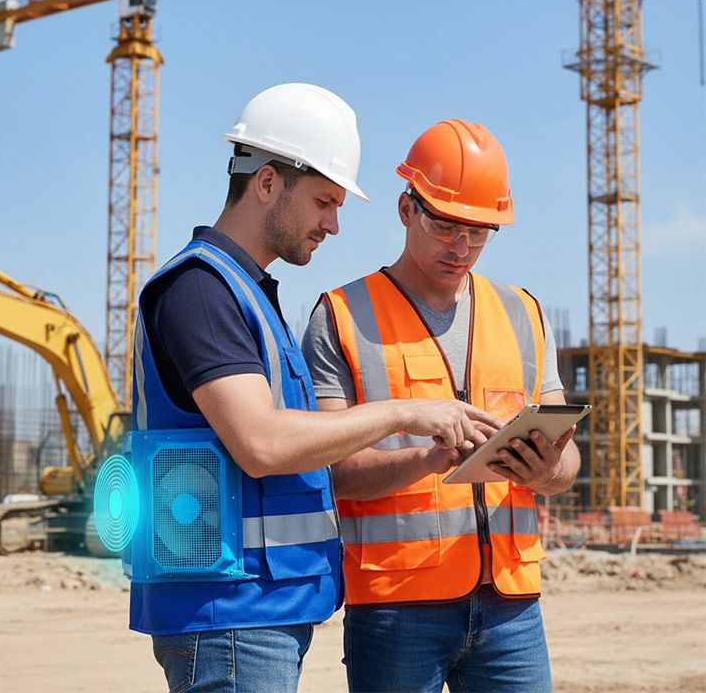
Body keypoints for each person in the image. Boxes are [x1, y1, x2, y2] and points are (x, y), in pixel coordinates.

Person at [129, 86, 502, 693]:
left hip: (261, 611)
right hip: (228, 617)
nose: (333, 223)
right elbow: (263, 444)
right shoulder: (200, 289)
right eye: (326, 201)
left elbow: (304, 459)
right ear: (268, 182)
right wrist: (408, 410)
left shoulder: (248, 294)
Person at [302, 117, 581, 693]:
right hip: (396, 609)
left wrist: (548, 469)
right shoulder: (342, 317)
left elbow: (567, 464)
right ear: (407, 209)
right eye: (446, 225)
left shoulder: (524, 314)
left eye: (479, 232)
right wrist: (431, 461)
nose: (462, 247)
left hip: (512, 607)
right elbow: (330, 473)